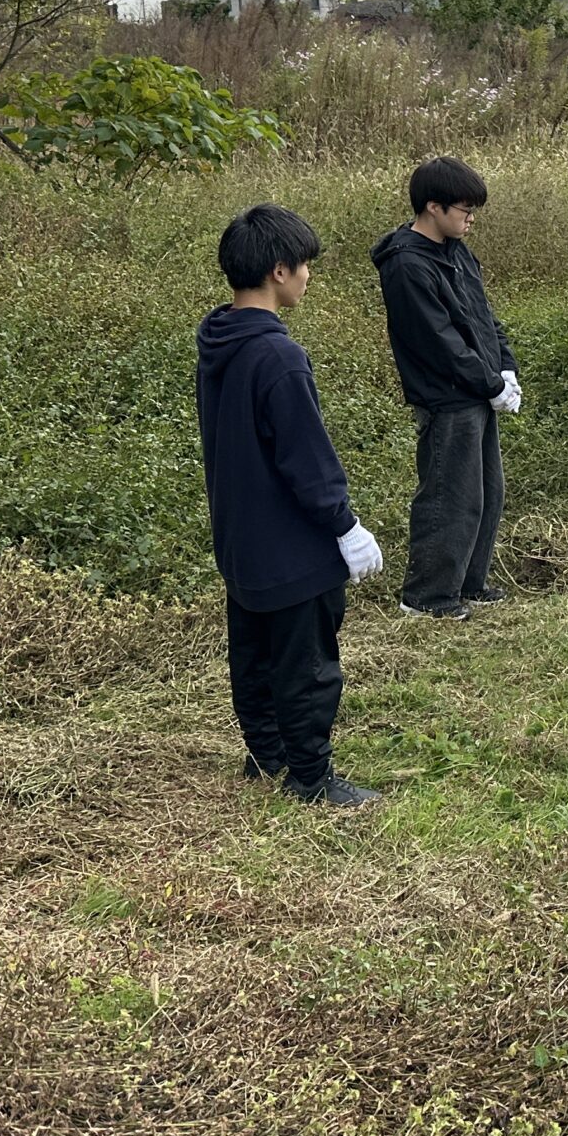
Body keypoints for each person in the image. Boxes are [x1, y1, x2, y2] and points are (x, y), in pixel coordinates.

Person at [197, 203, 384, 809]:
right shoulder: (278, 357)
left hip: (241, 538)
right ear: (278, 271)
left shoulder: (219, 340)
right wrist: (345, 526)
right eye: (304, 265)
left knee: (253, 652)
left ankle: (265, 753)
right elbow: (306, 459)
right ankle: (310, 777)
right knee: (305, 664)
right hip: (292, 545)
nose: (308, 276)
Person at [370, 156, 519, 620]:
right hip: (447, 395)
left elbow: (483, 315)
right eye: (464, 210)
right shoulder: (407, 264)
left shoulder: (457, 252)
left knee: (487, 492)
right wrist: (488, 382)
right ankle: (427, 597)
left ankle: (468, 582)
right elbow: (439, 341)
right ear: (433, 207)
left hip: (479, 389)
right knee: (450, 495)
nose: (471, 219)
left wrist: (506, 368)